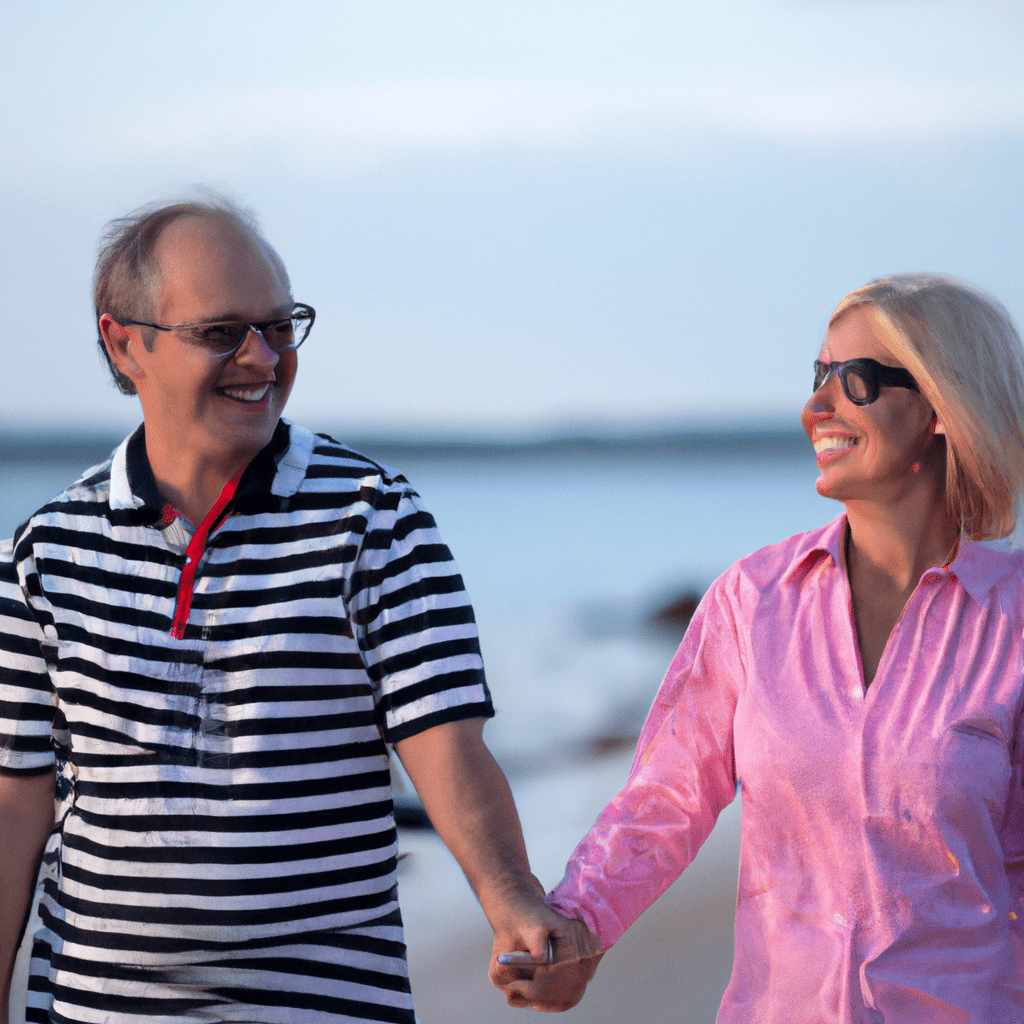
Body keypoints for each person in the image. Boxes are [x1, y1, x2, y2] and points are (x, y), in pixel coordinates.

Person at [0, 195, 595, 1024]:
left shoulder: (376, 519)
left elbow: (445, 744)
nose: (262, 357)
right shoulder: (45, 552)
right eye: (222, 332)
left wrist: (515, 903)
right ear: (124, 342)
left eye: (281, 327)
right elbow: (13, 804)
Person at [495, 274, 1024, 1020]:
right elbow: (665, 798)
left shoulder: (1013, 620)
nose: (817, 408)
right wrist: (580, 927)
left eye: (857, 381)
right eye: (818, 378)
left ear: (943, 406)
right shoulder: (752, 602)